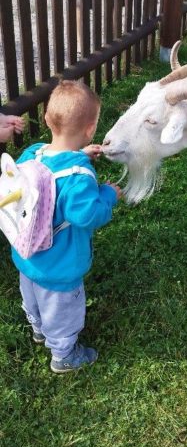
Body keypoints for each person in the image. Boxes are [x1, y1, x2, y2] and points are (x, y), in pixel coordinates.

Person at [11, 80, 121, 374]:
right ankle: (63, 354)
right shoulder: (78, 178)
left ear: (47, 119)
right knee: (63, 311)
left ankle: (37, 329)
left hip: (27, 255)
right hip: (60, 265)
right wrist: (108, 195)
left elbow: (50, 170)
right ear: (90, 129)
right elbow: (88, 214)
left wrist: (80, 153)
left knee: (32, 296)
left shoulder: (32, 154)